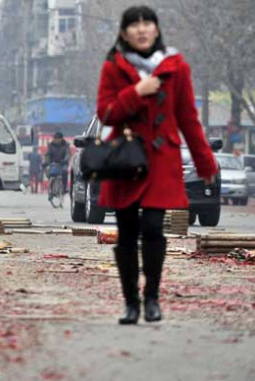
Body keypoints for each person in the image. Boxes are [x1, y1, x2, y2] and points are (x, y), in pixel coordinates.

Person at [96, 6, 217, 324]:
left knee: (152, 226)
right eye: (133, 25)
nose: (141, 29)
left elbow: (189, 119)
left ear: (156, 29)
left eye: (147, 23)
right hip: (125, 160)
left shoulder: (176, 68)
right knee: (126, 232)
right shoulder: (113, 67)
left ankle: (152, 297)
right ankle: (130, 303)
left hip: (161, 160)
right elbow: (106, 114)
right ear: (124, 33)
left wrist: (206, 163)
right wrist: (135, 92)